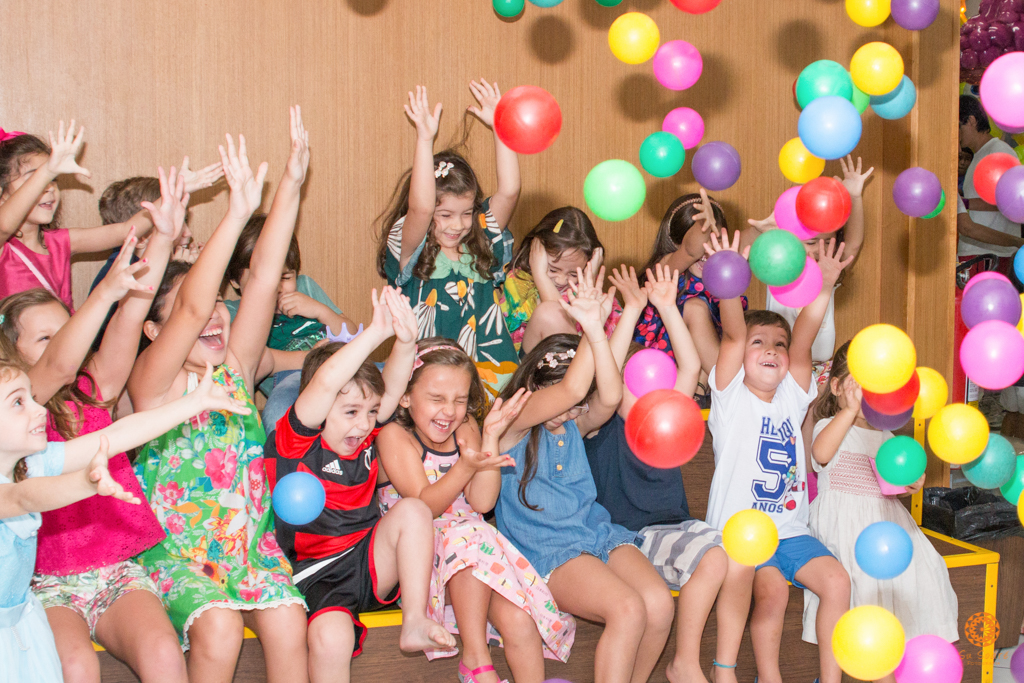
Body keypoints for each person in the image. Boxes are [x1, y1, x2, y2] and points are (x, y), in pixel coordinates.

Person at [127, 111, 310, 682]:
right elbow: (188, 307)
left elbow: (259, 278)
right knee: (222, 625)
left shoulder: (235, 366)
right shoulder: (151, 382)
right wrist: (233, 214)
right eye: (194, 311)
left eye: (217, 308)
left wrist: (291, 186)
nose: (212, 317)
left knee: (287, 617)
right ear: (154, 332)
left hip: (245, 549)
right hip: (174, 554)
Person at [0, 167, 190, 683]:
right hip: (45, 583)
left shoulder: (92, 389)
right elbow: (57, 365)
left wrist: (166, 236)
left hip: (115, 570)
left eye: (69, 329)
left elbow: (131, 316)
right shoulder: (23, 403)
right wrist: (103, 295)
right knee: (76, 667)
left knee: (164, 654)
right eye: (46, 338)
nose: (69, 343)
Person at [0, 358, 250, 683]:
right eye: (18, 402)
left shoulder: (34, 463)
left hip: (19, 621)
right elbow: (23, 498)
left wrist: (193, 403)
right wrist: (85, 483)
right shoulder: (21, 485)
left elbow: (116, 435)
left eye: (33, 397)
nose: (40, 410)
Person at [494, 266, 675, 683]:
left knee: (659, 605)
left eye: (577, 408)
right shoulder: (514, 423)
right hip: (547, 549)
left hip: (596, 533)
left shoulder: (574, 422)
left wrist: (599, 330)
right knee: (627, 608)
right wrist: (591, 325)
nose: (573, 412)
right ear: (535, 388)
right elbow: (572, 391)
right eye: (564, 403)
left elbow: (606, 396)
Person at [265, 287, 455, 683]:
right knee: (331, 640)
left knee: (414, 509)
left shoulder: (363, 435)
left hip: (369, 560)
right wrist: (374, 332)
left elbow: (394, 384)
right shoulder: (296, 441)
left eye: (370, 412)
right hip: (317, 574)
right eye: (351, 411)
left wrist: (404, 340)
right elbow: (326, 383)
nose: (365, 423)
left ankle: (416, 619)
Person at [588, 263, 754, 683]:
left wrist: (666, 307)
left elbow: (691, 367)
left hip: (674, 527)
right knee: (715, 558)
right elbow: (608, 376)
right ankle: (684, 663)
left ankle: (707, 664)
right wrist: (631, 311)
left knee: (738, 554)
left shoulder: (666, 422)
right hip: (633, 536)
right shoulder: (605, 417)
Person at [376, 338, 574, 683]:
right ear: (405, 397)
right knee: (467, 540)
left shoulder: (465, 425)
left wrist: (491, 438)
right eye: (436, 399)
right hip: (419, 559)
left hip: (473, 550)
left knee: (519, 622)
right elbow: (426, 505)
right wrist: (465, 468)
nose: (449, 411)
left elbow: (482, 504)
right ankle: (476, 659)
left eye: (460, 400)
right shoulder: (394, 435)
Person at [704, 230, 853, 683]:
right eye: (759, 343)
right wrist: (729, 277)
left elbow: (804, 339)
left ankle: (830, 679)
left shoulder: (792, 398)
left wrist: (824, 284)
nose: (771, 349)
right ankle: (754, 675)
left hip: (789, 529)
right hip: (741, 534)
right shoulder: (730, 398)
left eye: (778, 345)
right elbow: (732, 333)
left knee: (837, 582)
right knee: (771, 595)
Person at [806, 341, 959, 659]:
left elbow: (892, 486)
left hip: (886, 524)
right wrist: (848, 411)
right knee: (863, 579)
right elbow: (820, 454)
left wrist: (911, 485)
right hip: (845, 526)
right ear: (837, 387)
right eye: (861, 386)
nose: (870, 396)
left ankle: (902, 648)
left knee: (928, 568)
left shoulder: (887, 438)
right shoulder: (830, 427)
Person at [377, 82, 520, 397]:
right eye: (446, 215)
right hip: (432, 384)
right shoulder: (411, 253)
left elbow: (509, 190)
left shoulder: (479, 242)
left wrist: (501, 126)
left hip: (490, 377)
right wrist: (425, 139)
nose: (458, 225)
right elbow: (422, 206)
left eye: (466, 213)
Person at [0, 123, 156, 309]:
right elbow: (4, 226)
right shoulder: (5, 246)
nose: (49, 187)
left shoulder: (60, 242)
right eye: (35, 178)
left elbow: (125, 230)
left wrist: (174, 194)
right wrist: (48, 170)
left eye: (53, 180)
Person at [224, 212, 357, 427]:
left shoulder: (305, 288)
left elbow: (351, 333)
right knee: (278, 417)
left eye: (285, 277)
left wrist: (319, 310)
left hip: (345, 368)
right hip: (295, 381)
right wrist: (314, 357)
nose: (276, 288)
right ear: (234, 281)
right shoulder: (233, 313)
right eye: (262, 279)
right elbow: (252, 362)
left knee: (396, 380)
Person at [633, 191, 748, 405]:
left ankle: (717, 388)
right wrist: (706, 223)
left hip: (708, 371)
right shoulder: (667, 268)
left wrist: (767, 228)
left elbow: (747, 243)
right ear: (674, 241)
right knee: (695, 307)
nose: (707, 253)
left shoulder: (722, 274)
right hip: (662, 367)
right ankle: (729, 390)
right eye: (704, 239)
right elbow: (691, 250)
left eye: (716, 242)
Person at [500, 206, 621, 354]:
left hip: (581, 366)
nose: (562, 280)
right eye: (553, 269)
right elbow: (559, 325)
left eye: (574, 273)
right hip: (533, 367)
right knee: (551, 313)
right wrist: (540, 275)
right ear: (535, 255)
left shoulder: (588, 285)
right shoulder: (518, 281)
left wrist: (589, 281)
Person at [958, 95, 1024, 270]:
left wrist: (963, 203)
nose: (956, 134)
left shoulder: (999, 152)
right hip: (976, 249)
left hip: (993, 253)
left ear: (971, 121)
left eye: (958, 126)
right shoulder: (978, 156)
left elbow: (1010, 203)